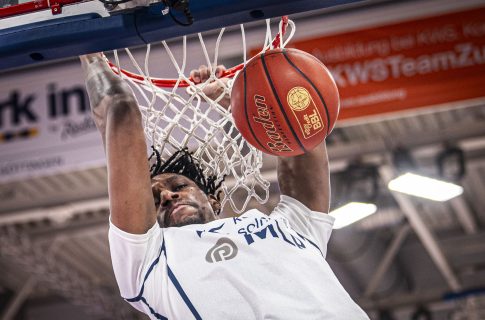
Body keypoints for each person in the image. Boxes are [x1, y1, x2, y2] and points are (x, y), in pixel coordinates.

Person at [80, 53, 370, 320]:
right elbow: (121, 110)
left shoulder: (289, 228)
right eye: (154, 199)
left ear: (214, 200)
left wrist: (237, 99)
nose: (167, 195)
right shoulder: (149, 262)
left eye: (179, 185)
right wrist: (91, 51)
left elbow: (301, 143)